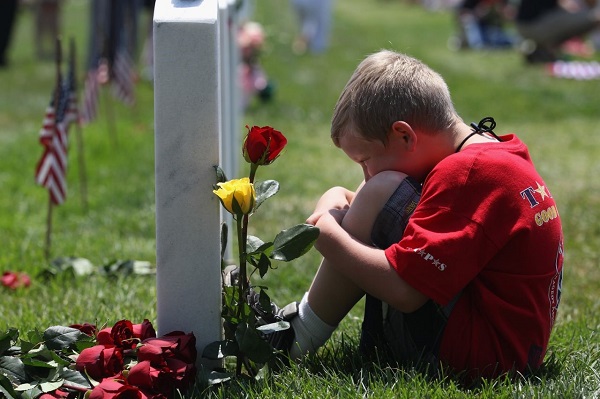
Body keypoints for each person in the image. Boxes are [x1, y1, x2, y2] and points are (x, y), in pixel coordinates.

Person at [252, 50, 564, 380]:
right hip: (507, 346)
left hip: (484, 359)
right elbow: (346, 197)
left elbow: (405, 291)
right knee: (379, 192)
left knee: (383, 189)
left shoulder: (467, 174)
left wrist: (326, 236)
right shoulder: (487, 150)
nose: (366, 173)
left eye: (365, 160)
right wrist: (329, 212)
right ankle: (297, 324)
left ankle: (296, 338)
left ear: (405, 135)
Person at [515, 0, 600, 63]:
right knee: (596, 17)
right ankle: (546, 50)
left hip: (522, 25)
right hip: (535, 25)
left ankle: (542, 53)